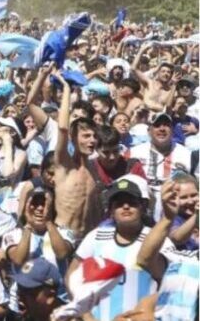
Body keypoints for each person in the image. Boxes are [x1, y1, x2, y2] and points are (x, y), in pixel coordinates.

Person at [67, 177, 166, 321]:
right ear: (111, 210)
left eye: (132, 202)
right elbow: (71, 275)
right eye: (119, 204)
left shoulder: (157, 239)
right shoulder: (96, 237)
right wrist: (87, 316)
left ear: (143, 207)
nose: (126, 207)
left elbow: (169, 283)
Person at [134, 180, 199, 321]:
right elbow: (144, 259)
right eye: (184, 197)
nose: (190, 201)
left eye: (194, 195)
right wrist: (168, 217)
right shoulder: (182, 262)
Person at [3, 187, 74, 315]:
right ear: (26, 206)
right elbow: (18, 259)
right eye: (35, 204)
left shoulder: (64, 233)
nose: (40, 208)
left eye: (45, 204)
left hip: (58, 303)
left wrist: (48, 222)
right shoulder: (13, 235)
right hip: (23, 306)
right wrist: (28, 227)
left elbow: (62, 253)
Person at [52, 70, 101, 240]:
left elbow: (94, 211)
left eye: (94, 136)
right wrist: (66, 90)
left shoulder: (94, 170)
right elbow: (63, 128)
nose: (92, 140)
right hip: (63, 236)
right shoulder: (64, 165)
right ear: (73, 139)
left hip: (85, 240)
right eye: (86, 136)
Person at [130, 112, 192, 220]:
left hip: (176, 209)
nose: (162, 129)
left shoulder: (187, 154)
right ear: (149, 131)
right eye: (157, 125)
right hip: (142, 208)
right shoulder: (133, 153)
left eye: (166, 125)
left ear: (172, 130)